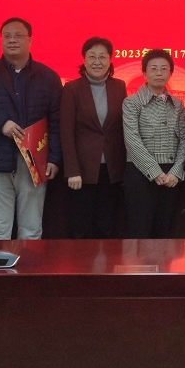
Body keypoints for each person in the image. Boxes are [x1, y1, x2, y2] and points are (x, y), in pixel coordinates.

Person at [0, 17, 62, 240]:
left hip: (34, 163)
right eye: (7, 36)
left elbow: (56, 121)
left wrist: (54, 158)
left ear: (30, 40)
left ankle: (28, 264)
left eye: (18, 35)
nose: (12, 40)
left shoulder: (48, 77)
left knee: (31, 229)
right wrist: (0, 124)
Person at [60, 36, 127, 239]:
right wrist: (72, 171)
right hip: (82, 171)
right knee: (81, 227)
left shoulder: (119, 86)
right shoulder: (72, 88)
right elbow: (66, 132)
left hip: (112, 169)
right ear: (84, 59)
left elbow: (122, 128)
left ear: (110, 59)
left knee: (107, 225)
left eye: (102, 57)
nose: (97, 62)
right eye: (92, 56)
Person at [122, 49, 185, 239]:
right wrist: (155, 172)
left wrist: (176, 171)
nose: (159, 73)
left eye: (164, 69)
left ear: (170, 73)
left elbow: (184, 139)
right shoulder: (131, 103)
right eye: (153, 68)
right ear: (144, 73)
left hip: (171, 176)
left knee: (165, 231)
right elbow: (132, 140)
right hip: (140, 173)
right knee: (140, 231)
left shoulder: (177, 104)